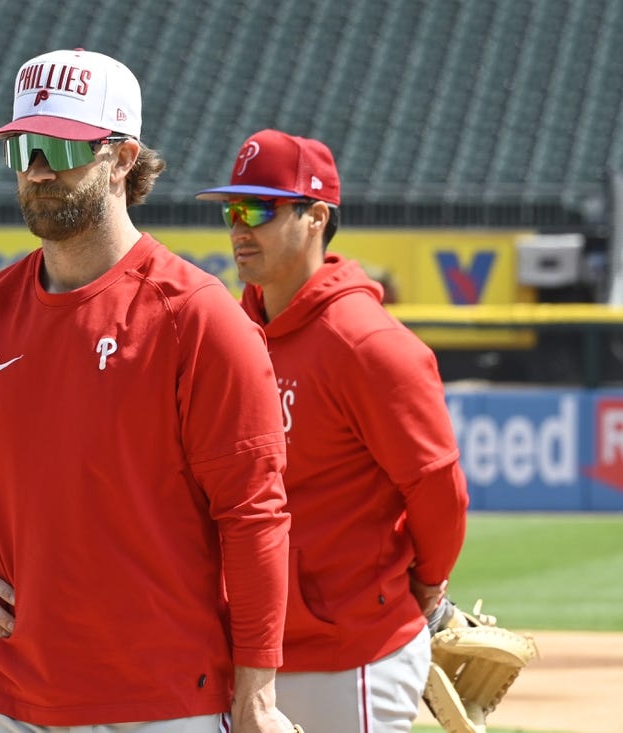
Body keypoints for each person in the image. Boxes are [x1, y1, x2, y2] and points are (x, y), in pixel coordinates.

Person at [0, 49, 299, 733]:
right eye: (21, 147)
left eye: (59, 146)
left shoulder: (199, 319)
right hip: (13, 698)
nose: (37, 169)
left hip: (170, 701)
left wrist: (257, 691)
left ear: (121, 157)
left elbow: (253, 515)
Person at [196, 128, 471, 732]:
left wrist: (426, 587)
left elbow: (436, 487)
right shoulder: (228, 335)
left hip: (351, 656)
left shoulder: (369, 345)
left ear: (317, 216)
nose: (239, 228)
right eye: (231, 210)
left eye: (258, 208)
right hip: (246, 651)